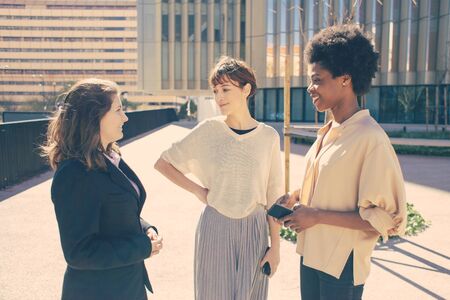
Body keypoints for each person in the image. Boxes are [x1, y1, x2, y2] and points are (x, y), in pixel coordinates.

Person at [277, 24, 407, 300]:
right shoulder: (329, 131)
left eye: (317, 80)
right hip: (311, 254)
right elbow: (332, 185)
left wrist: (317, 217)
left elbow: (386, 219)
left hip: (341, 265)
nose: (310, 88)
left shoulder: (370, 138)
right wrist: (294, 197)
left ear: (345, 79)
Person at [154, 56, 284, 299]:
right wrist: (198, 190)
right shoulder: (209, 130)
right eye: (215, 91)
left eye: (225, 89)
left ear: (246, 90)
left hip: (254, 229)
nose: (219, 97)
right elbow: (164, 163)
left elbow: (274, 196)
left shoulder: (269, 137)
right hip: (216, 225)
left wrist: (275, 248)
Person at [42, 78, 163, 300]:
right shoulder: (75, 173)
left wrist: (145, 228)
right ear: (94, 117)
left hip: (127, 286)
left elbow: (117, 211)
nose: (125, 117)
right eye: (118, 110)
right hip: (98, 292)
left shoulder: (109, 156)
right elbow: (79, 252)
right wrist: (141, 247)